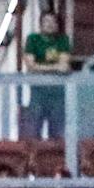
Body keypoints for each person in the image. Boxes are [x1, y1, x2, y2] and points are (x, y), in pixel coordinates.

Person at [23, 10, 73, 141]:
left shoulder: (63, 40)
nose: (50, 24)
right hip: (38, 92)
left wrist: (41, 67)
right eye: (46, 21)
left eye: (53, 22)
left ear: (57, 25)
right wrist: (55, 67)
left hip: (58, 94)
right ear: (40, 24)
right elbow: (31, 66)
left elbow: (64, 65)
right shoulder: (33, 39)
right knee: (33, 133)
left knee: (58, 135)